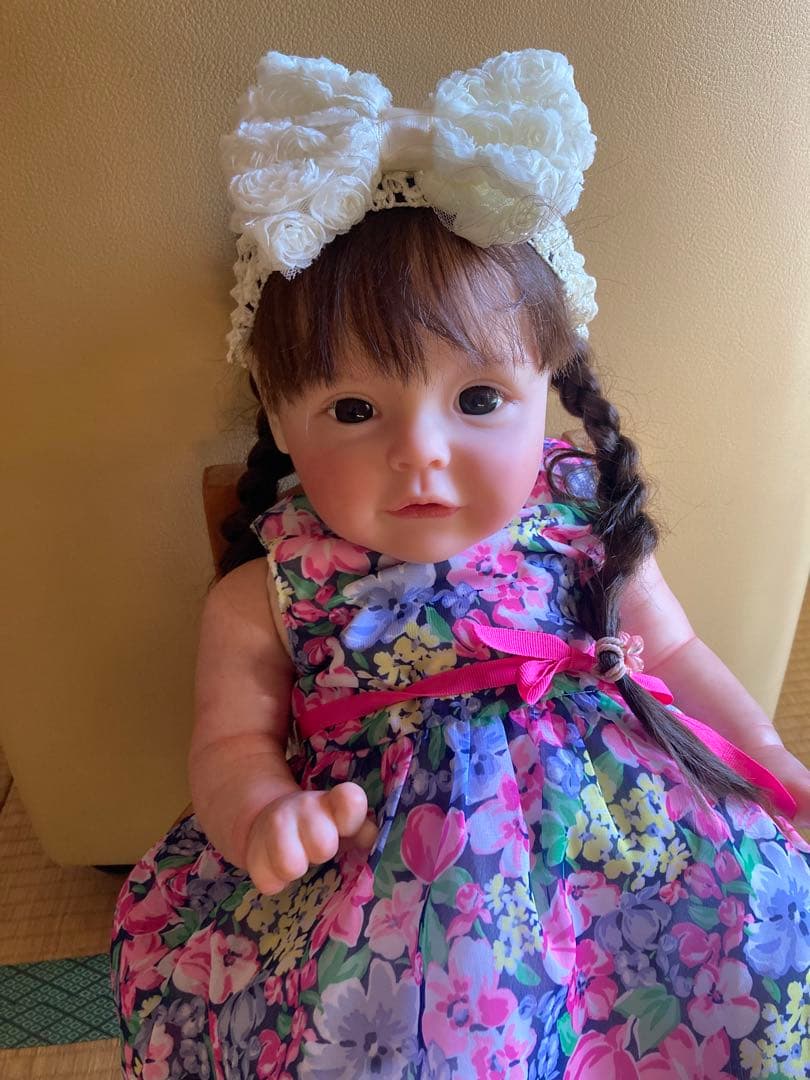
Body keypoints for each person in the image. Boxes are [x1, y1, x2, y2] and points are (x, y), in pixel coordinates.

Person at [110, 49, 810, 1079]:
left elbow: (674, 654)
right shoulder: (268, 591)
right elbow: (228, 742)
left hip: (629, 846)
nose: (420, 452)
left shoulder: (581, 525)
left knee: (753, 940)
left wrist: (767, 757)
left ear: (546, 390)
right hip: (402, 898)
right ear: (282, 421)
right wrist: (264, 814)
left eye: (479, 400)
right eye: (354, 409)